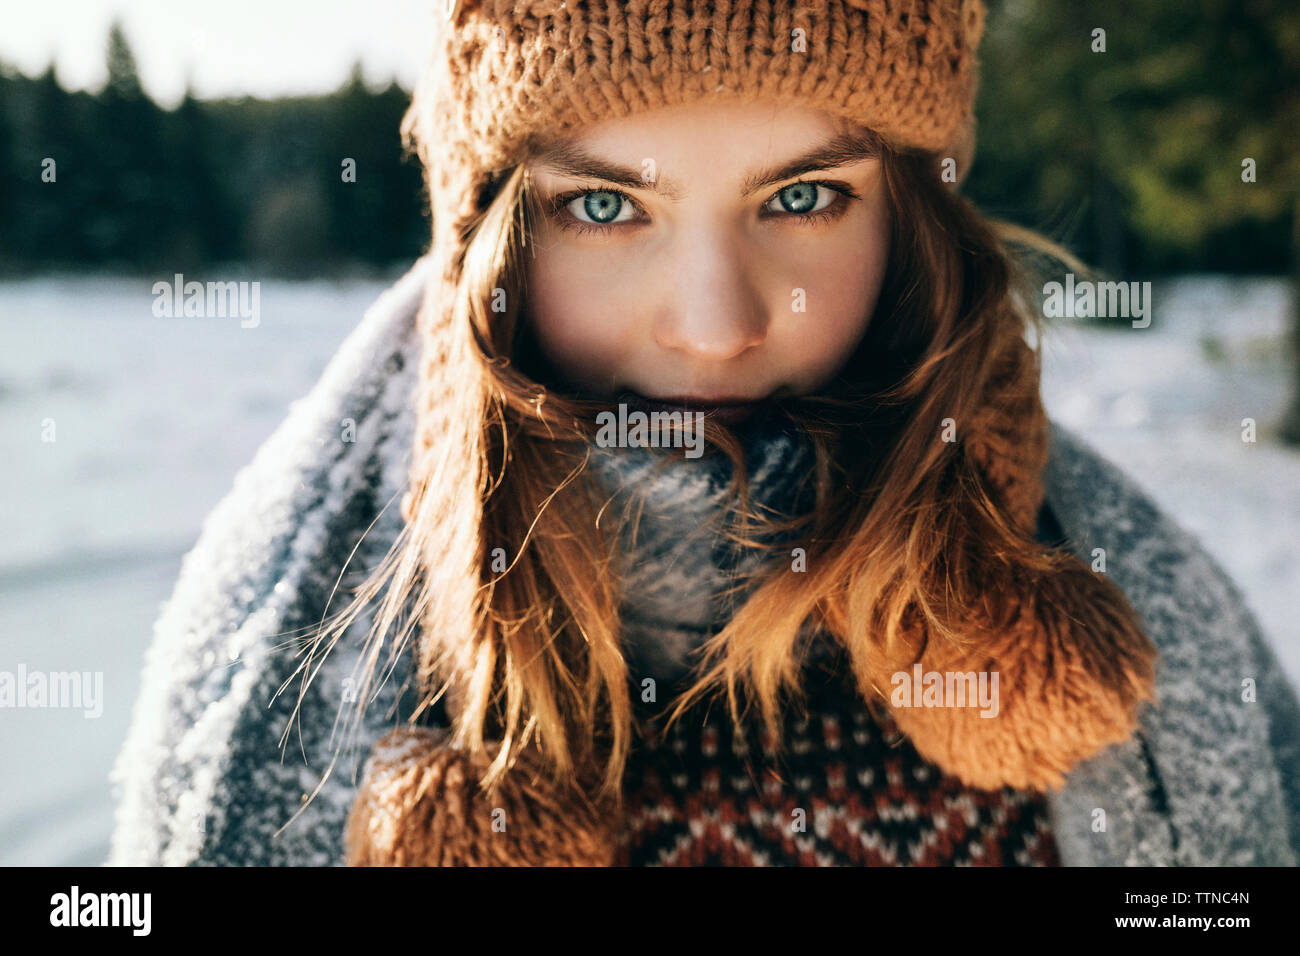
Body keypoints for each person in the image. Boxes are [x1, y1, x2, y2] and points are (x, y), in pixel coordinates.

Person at [107, 0, 1300, 867]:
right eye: (606, 205)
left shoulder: (1119, 606)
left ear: (914, 226)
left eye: (802, 197)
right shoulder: (307, 640)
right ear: (490, 238)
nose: (715, 324)